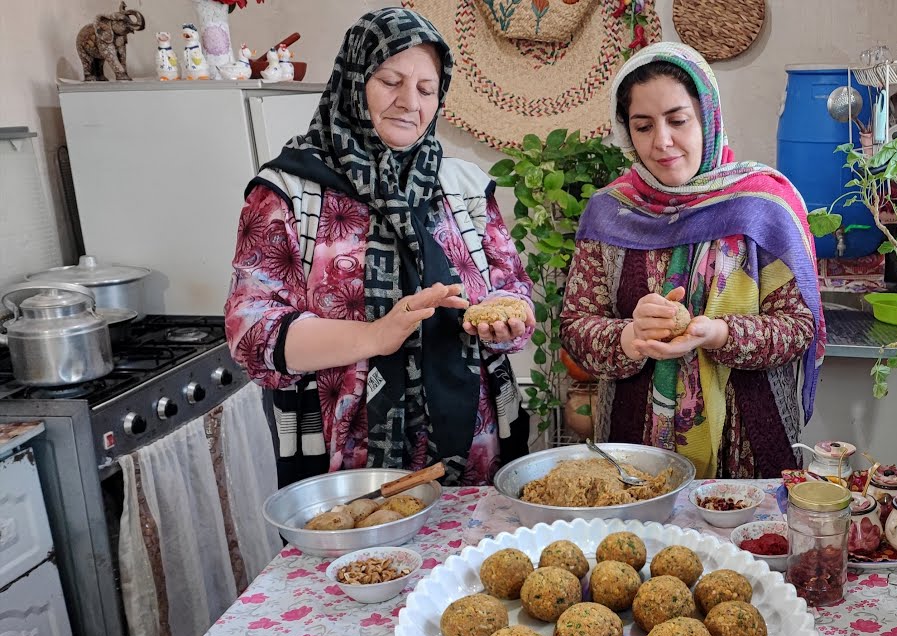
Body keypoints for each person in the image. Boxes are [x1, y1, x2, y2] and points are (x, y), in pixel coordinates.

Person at [225, 8, 533, 487]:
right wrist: (376, 336)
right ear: (354, 80)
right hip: (343, 457)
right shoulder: (290, 191)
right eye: (390, 81)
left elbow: (512, 290)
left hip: (473, 450)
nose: (409, 102)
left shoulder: (465, 187)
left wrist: (504, 321)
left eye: (426, 90)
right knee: (358, 561)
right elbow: (252, 334)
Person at [561, 42, 825, 479]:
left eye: (678, 121)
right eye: (643, 127)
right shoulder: (611, 212)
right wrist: (631, 337)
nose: (662, 142)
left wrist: (717, 333)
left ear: (708, 117)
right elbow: (576, 326)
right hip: (634, 455)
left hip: (748, 451)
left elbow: (798, 328)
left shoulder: (761, 206)